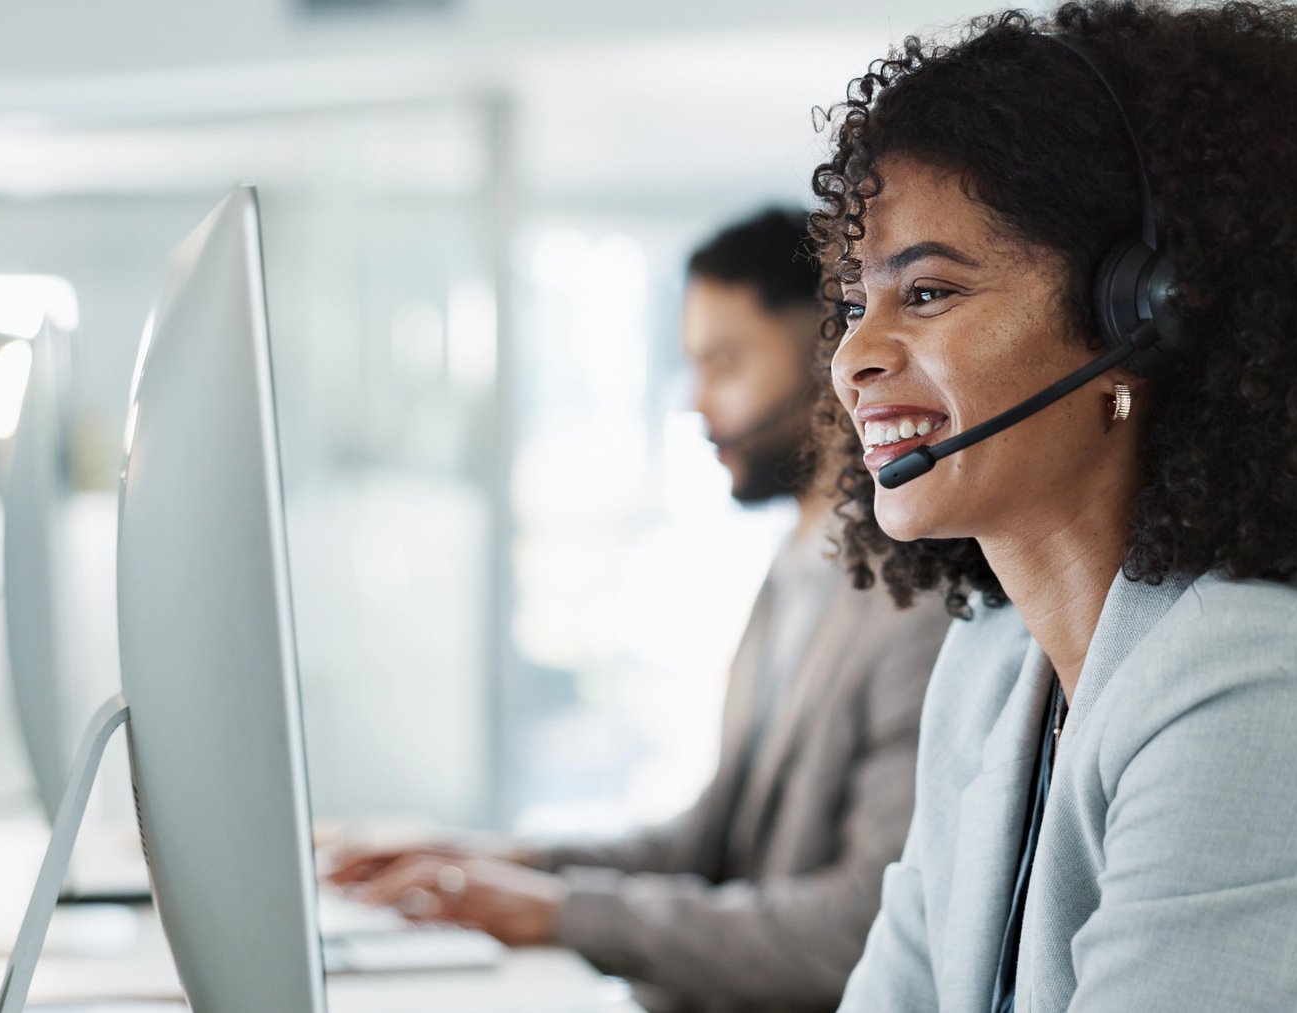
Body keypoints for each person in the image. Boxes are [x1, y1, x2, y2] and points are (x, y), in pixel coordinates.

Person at [812, 3, 1297, 1010]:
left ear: (1146, 315)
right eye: (859, 303)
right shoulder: (990, 666)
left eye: (931, 293)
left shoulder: (1267, 678)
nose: (855, 356)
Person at [326, 209, 951, 1013]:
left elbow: (858, 927)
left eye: (725, 363)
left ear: (827, 351)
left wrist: (555, 913)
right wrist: (490, 864)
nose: (697, 405)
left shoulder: (916, 603)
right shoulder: (799, 569)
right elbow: (709, 842)